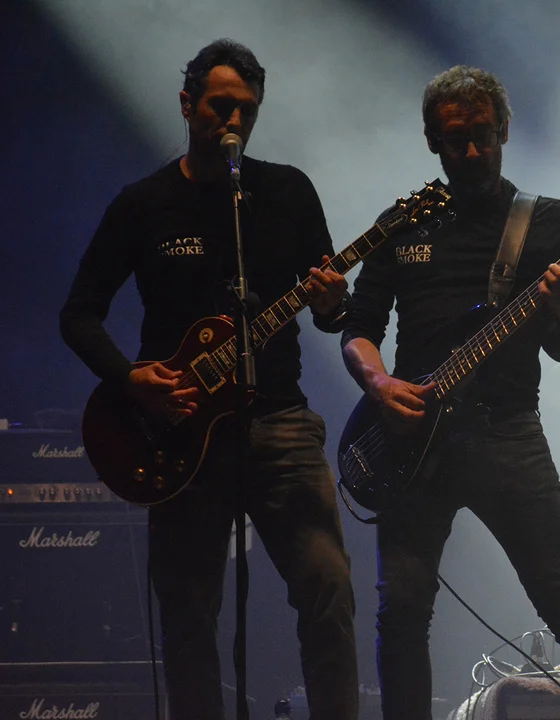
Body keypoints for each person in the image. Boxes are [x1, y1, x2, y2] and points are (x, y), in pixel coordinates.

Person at [59, 39, 358, 720]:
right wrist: (130, 378)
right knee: (188, 614)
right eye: (220, 106)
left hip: (279, 421)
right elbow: (78, 314)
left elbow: (332, 313)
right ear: (187, 104)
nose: (234, 121)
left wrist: (331, 303)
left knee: (328, 590)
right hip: (179, 433)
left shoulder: (286, 191)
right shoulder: (144, 204)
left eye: (247, 109)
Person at [340, 65, 560, 720]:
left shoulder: (546, 221)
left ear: (504, 130)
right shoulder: (403, 223)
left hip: (507, 432)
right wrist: (380, 384)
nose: (471, 151)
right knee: (402, 613)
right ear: (432, 142)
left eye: (483, 135)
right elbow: (358, 329)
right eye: (455, 140)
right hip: (411, 440)